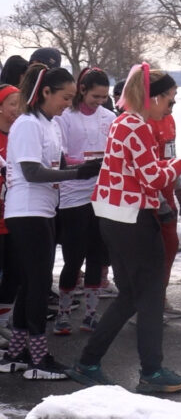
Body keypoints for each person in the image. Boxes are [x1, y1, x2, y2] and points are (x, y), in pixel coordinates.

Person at [64, 65, 181, 391]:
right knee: (151, 294)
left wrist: (180, 161)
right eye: (170, 101)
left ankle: (88, 362)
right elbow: (153, 178)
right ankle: (151, 372)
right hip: (133, 219)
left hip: (115, 217)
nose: (171, 108)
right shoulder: (137, 126)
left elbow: (145, 171)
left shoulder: (122, 121)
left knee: (129, 296)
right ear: (153, 98)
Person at [0, 65, 100, 380]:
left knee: (32, 283)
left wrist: (88, 164)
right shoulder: (28, 124)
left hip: (44, 210)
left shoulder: (51, 124)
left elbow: (57, 163)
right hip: (26, 210)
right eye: (65, 97)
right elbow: (31, 171)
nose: (68, 104)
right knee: (39, 285)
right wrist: (77, 173)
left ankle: (17, 354)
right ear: (45, 92)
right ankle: (39, 359)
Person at [53, 67, 116, 334]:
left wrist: (104, 163)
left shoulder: (110, 117)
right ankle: (63, 313)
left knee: (97, 254)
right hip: (73, 194)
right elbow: (60, 155)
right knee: (73, 256)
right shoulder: (66, 117)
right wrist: (84, 164)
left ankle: (91, 314)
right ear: (82, 90)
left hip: (100, 193)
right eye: (95, 96)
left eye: (104, 97)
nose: (100, 102)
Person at [147, 93, 181, 321]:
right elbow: (146, 170)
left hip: (166, 196)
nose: (172, 108)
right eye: (169, 102)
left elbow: (170, 158)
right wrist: (160, 201)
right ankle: (145, 305)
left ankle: (159, 298)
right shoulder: (143, 122)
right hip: (149, 200)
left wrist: (180, 191)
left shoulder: (169, 120)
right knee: (152, 255)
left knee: (169, 249)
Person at [0, 84, 22, 332]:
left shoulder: (19, 133)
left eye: (21, 103)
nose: (18, 109)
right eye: (12, 103)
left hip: (14, 215)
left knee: (15, 272)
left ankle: (3, 322)